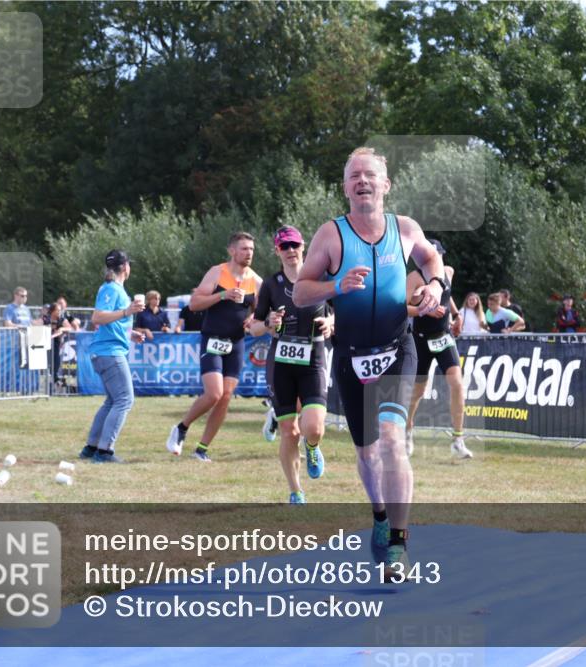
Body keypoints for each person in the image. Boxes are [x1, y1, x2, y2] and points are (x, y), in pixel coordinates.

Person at [293, 146, 445, 577]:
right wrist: (335, 285)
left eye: (370, 175)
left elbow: (432, 259)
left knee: (394, 440)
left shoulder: (405, 228)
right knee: (367, 452)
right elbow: (301, 293)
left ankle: (398, 541)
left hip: (398, 348)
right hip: (352, 357)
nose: (362, 181)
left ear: (385, 184)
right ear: (345, 188)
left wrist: (434, 285)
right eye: (354, 175)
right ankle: (380, 513)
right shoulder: (331, 235)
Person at [249, 226, 334, 504]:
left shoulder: (321, 277)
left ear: (303, 246)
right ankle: (295, 490)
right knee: (289, 430)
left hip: (314, 359)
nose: (290, 251)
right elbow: (254, 328)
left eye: (294, 245)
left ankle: (313, 447)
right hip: (281, 362)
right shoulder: (271, 285)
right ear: (276, 250)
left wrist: (332, 322)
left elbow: (340, 311)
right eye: (284, 247)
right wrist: (269, 323)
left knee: (313, 428)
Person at [165, 232, 261, 462]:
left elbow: (260, 311)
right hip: (212, 338)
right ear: (232, 251)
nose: (249, 253)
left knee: (226, 396)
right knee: (214, 393)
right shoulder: (217, 272)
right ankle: (181, 427)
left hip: (236, 342)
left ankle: (201, 449)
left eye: (251, 249)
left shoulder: (256, 281)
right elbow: (195, 304)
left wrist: (253, 318)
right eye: (244, 249)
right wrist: (223, 295)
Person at [404, 239, 472, 460]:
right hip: (420, 339)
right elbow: (401, 306)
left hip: (443, 337)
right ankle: (407, 429)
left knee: (457, 383)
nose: (434, 261)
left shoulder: (448, 272)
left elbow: (447, 294)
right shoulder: (414, 277)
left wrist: (457, 315)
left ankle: (458, 440)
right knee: (417, 393)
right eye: (428, 257)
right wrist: (423, 309)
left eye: (437, 256)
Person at [78, 250, 145, 464]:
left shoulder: (114, 289)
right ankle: (104, 451)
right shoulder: (112, 289)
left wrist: (129, 333)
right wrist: (127, 312)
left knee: (112, 401)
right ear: (125, 267)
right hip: (110, 353)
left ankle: (91, 447)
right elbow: (98, 317)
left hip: (105, 351)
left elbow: (110, 320)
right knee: (125, 400)